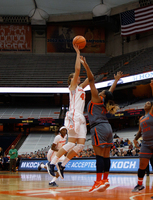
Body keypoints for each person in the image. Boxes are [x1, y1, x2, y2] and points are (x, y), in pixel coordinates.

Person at [47, 44, 89, 178]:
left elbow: (91, 78)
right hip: (73, 116)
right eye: (74, 77)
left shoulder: (81, 87)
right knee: (71, 142)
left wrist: (86, 65)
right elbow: (77, 70)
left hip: (81, 117)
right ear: (70, 81)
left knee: (80, 146)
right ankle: (52, 163)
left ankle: (62, 164)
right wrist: (77, 53)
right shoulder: (72, 87)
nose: (77, 78)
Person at [82, 57, 121, 193]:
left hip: (98, 127)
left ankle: (98, 181)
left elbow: (91, 80)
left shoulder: (97, 98)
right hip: (108, 128)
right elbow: (111, 91)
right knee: (106, 156)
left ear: (103, 94)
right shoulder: (105, 101)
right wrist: (115, 81)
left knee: (99, 156)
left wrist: (86, 64)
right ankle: (105, 179)